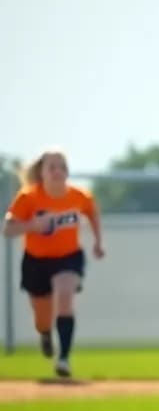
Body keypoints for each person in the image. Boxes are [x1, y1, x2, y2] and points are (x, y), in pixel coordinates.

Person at [2, 149, 105, 377]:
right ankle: (45, 333)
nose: (58, 171)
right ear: (42, 172)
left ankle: (64, 358)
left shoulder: (80, 196)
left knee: (65, 298)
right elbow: (7, 229)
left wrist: (98, 242)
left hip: (68, 257)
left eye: (62, 166)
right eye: (52, 167)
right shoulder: (29, 197)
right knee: (42, 317)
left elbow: (93, 213)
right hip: (36, 260)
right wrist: (33, 226)